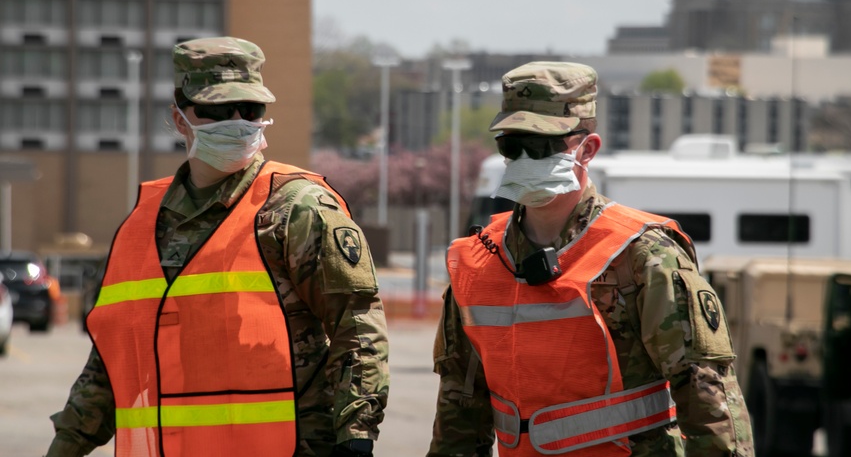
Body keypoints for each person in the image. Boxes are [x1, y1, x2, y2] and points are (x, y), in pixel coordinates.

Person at [46, 37, 389, 457]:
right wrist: (65, 446)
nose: (238, 121)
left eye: (251, 109)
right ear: (178, 118)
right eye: (217, 110)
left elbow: (357, 328)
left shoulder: (296, 208)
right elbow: (110, 362)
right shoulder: (141, 224)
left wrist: (356, 436)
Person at [427, 62, 754, 457]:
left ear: (589, 149)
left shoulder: (643, 254)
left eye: (544, 145)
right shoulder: (477, 259)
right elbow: (460, 409)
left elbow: (710, 403)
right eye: (512, 145)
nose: (527, 159)